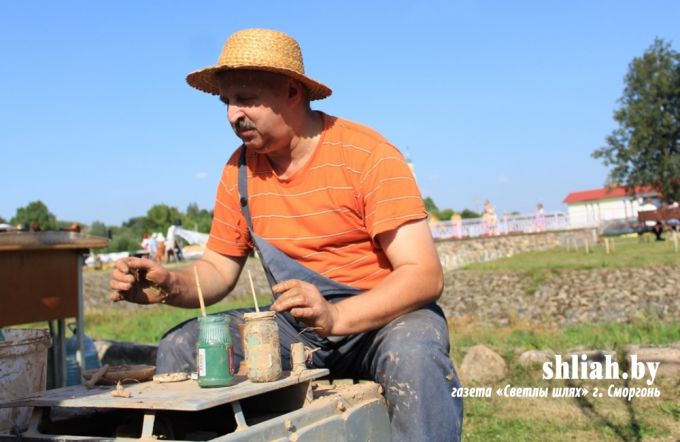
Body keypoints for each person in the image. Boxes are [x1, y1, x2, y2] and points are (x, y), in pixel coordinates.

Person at [109, 28, 462, 441]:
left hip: (383, 320)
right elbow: (218, 271)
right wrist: (170, 284)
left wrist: (338, 317)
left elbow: (423, 275)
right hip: (297, 326)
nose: (232, 114)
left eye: (244, 98)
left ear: (292, 91)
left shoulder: (367, 155)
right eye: (226, 102)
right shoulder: (238, 171)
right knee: (183, 348)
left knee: (416, 354)